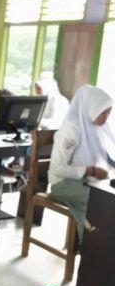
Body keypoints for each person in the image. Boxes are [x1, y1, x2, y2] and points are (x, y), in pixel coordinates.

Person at [49, 85, 115, 241]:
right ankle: (92, 244)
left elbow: (105, 156)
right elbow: (56, 168)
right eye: (103, 112)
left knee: (100, 200)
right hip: (62, 184)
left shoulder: (93, 128)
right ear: (90, 109)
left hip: (83, 182)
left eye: (109, 113)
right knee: (101, 201)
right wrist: (91, 171)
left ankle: (92, 243)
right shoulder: (70, 131)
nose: (106, 117)